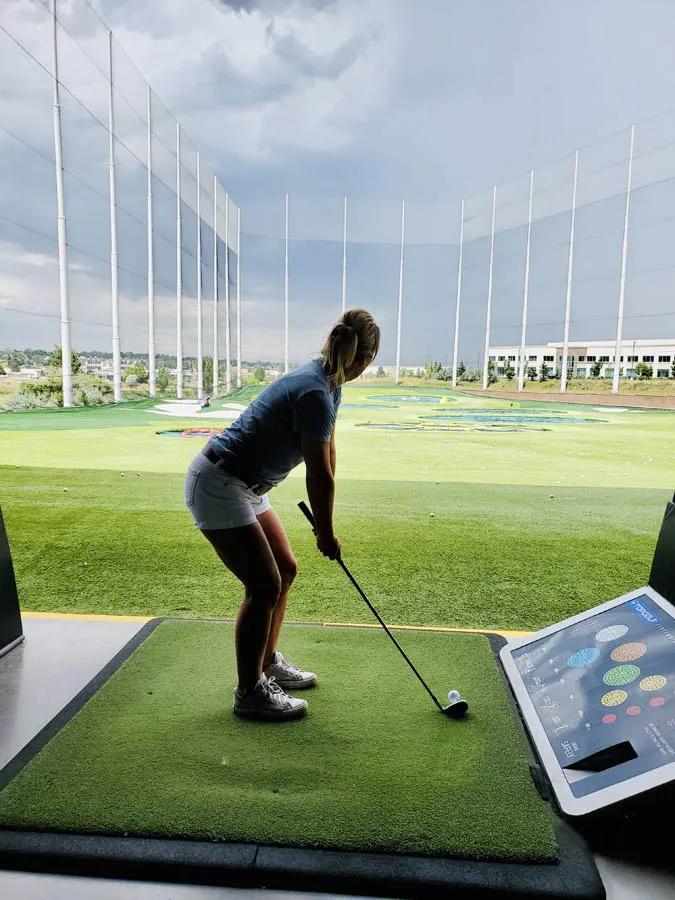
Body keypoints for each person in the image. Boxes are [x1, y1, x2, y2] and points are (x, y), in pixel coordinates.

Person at [184, 309, 380, 721]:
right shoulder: (313, 390)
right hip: (221, 482)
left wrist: (324, 526)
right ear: (363, 358)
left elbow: (327, 455)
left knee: (285, 570)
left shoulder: (330, 381)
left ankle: (267, 663)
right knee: (263, 584)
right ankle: (249, 691)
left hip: (248, 484)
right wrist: (325, 532)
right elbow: (318, 474)